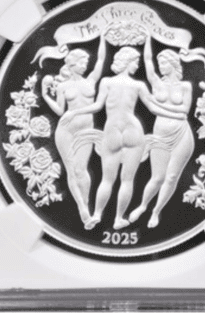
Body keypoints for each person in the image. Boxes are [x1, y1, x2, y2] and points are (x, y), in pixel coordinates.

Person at [63, 45, 178, 230]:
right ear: (128, 61)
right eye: (135, 62)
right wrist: (177, 114)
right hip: (133, 129)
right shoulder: (138, 85)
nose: (137, 65)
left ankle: (97, 215)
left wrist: (75, 112)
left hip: (112, 130)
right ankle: (118, 219)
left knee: (107, 179)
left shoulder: (106, 82)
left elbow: (97, 106)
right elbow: (153, 108)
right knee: (127, 180)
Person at [128, 36, 195, 228]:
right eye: (159, 64)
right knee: (157, 177)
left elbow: (185, 110)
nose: (160, 67)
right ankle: (142, 206)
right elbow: (148, 61)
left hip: (182, 134)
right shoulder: (157, 83)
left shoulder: (185, 86)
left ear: (173, 63)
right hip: (161, 135)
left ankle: (156, 212)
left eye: (164, 63)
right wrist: (148, 37)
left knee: (172, 176)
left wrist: (156, 106)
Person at [41, 35, 106, 223]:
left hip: (85, 130)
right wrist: (45, 95)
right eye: (82, 62)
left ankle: (86, 203)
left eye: (86, 62)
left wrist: (102, 37)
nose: (86, 65)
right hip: (66, 130)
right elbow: (60, 110)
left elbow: (101, 60)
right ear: (72, 64)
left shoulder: (91, 81)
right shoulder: (63, 86)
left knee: (81, 169)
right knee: (71, 170)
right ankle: (82, 208)